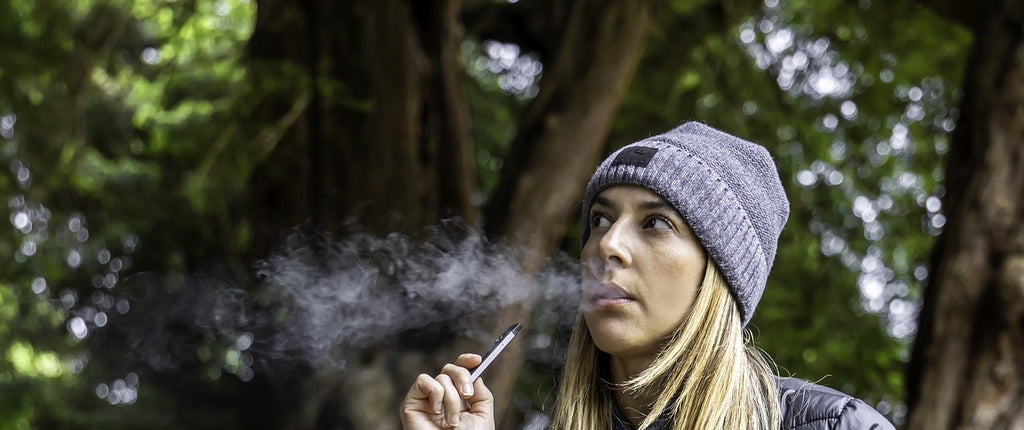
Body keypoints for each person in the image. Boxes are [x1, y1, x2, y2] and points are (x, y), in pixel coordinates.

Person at [400, 121, 895, 429]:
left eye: (656, 223)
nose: (606, 245)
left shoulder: (833, 427)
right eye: (599, 219)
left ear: (718, 275)